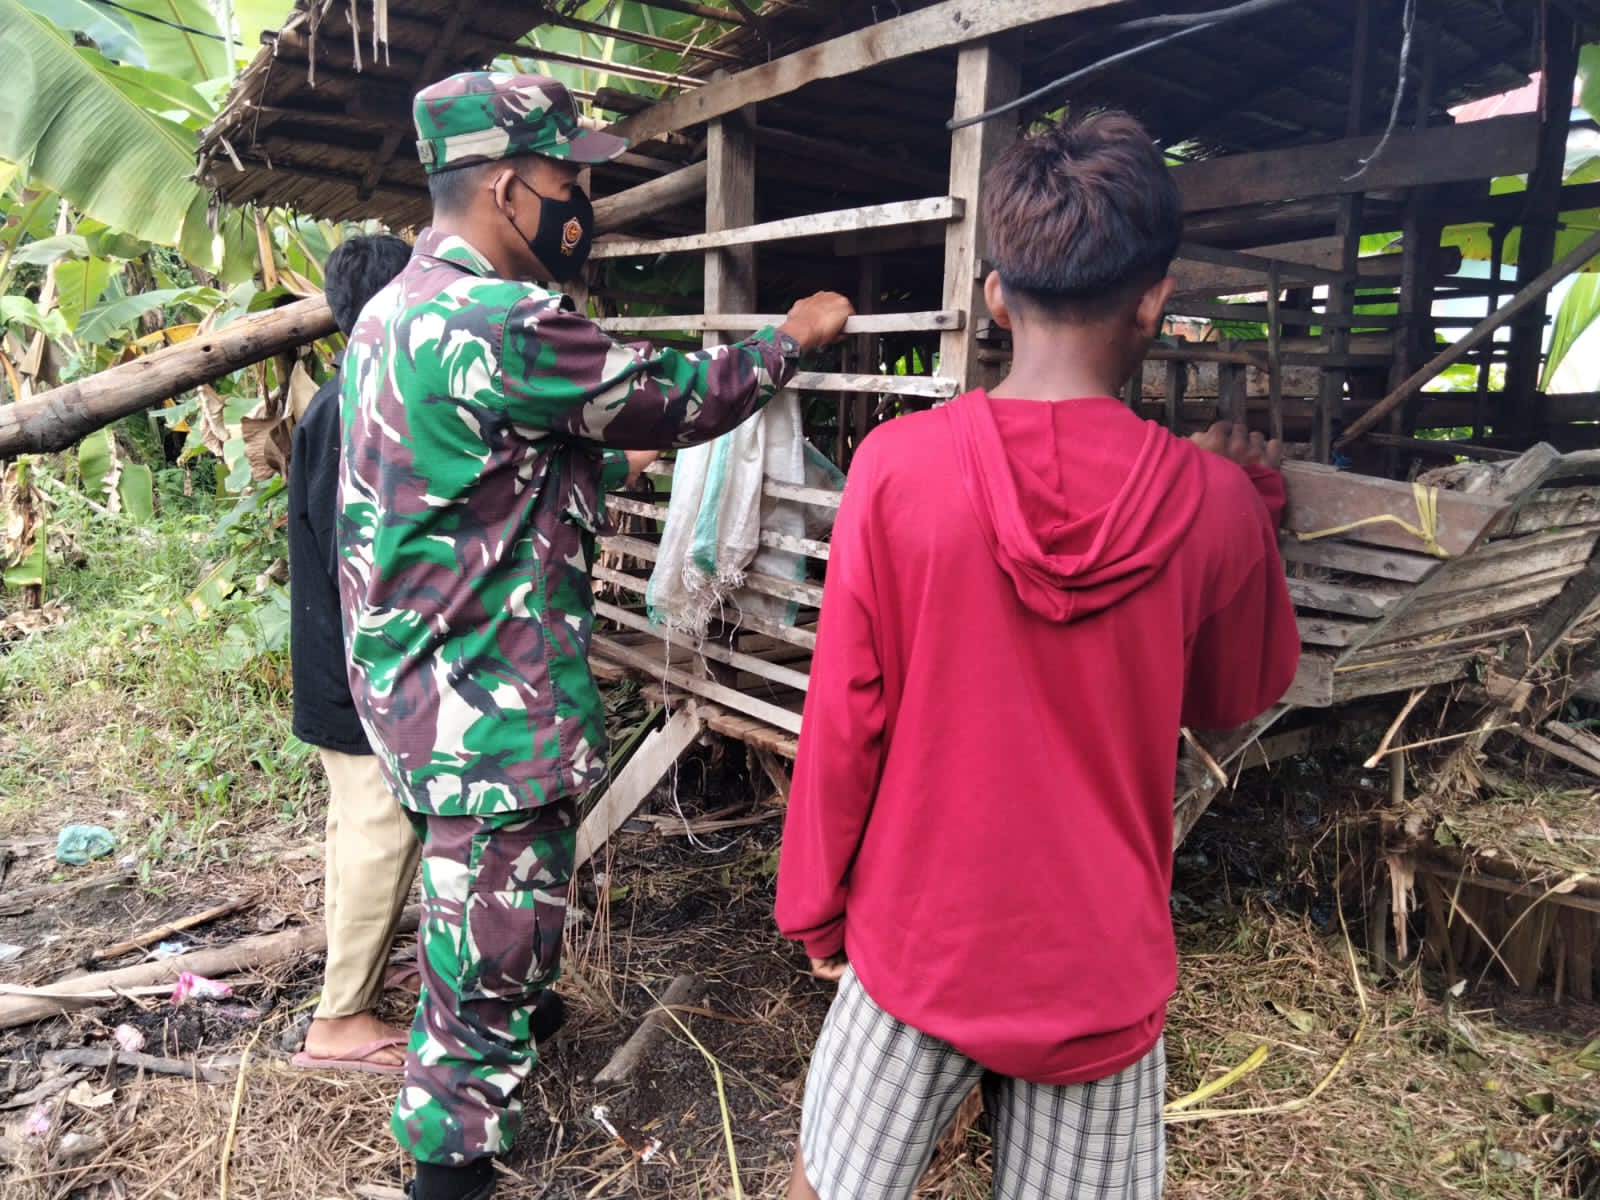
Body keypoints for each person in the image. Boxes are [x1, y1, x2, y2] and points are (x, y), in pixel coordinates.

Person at [335, 71, 852, 1200]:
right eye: (571, 177)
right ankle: (453, 1159)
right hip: (485, 706)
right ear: (513, 190)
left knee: (486, 908)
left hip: (418, 686)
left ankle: (508, 1009)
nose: (584, 200)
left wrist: (601, 459)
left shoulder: (393, 311)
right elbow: (682, 394)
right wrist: (791, 338)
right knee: (482, 953)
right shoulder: (505, 320)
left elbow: (463, 469)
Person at [775, 111, 1301, 1200]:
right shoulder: (1209, 508)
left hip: (919, 943)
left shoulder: (895, 471)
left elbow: (844, 716)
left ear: (996, 295)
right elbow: (1230, 694)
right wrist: (1249, 504)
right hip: (1096, 969)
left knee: (825, 1185)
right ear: (1155, 296)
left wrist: (816, 905)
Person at [287, 233, 418, 1074]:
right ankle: (340, 1022)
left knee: (355, 833)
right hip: (356, 664)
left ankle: (350, 989)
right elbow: (356, 550)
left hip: (334, 657)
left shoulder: (334, 399)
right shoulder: (354, 408)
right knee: (380, 834)